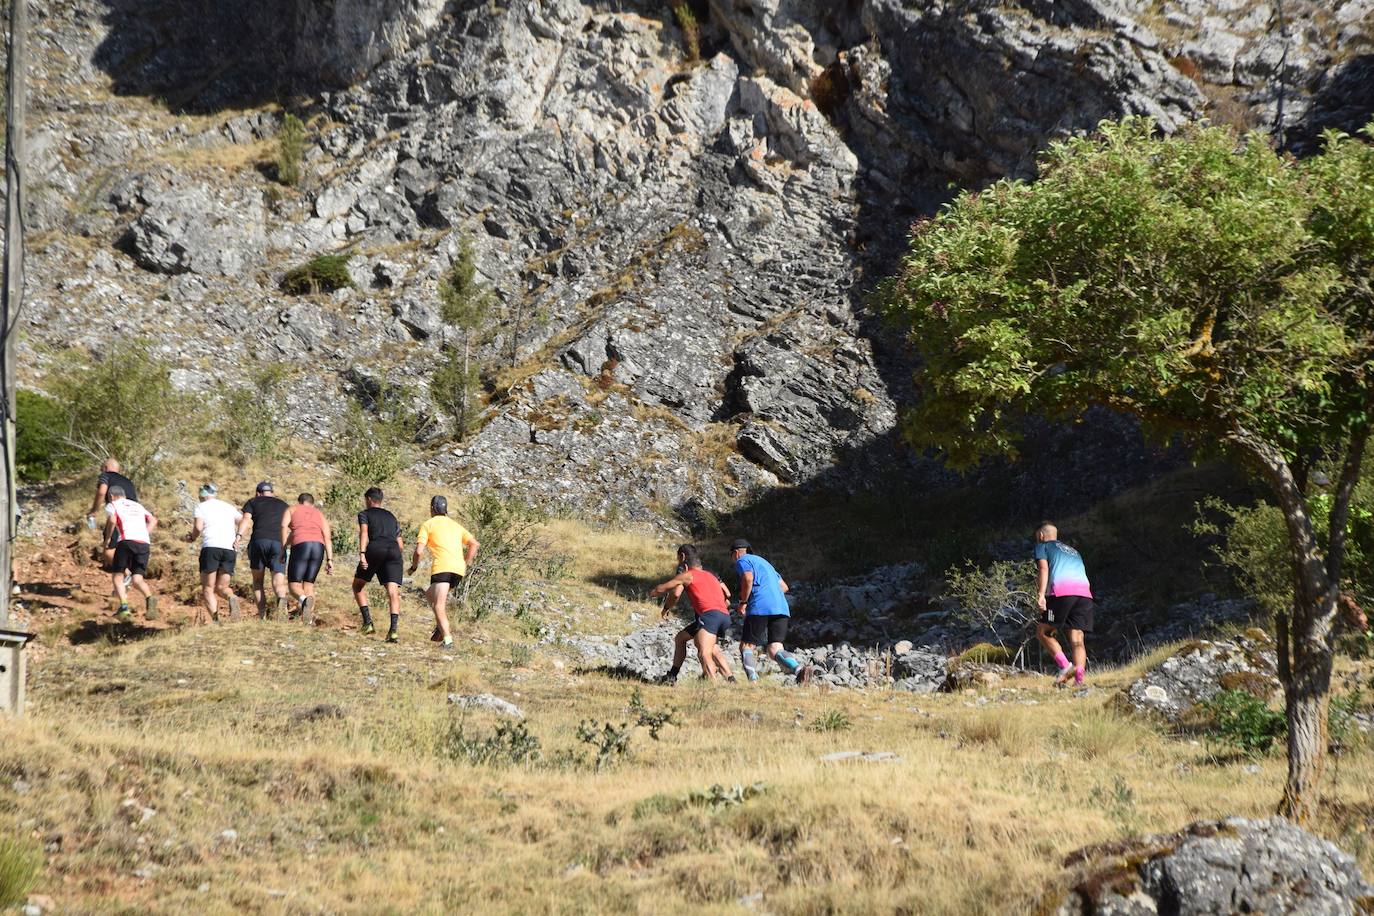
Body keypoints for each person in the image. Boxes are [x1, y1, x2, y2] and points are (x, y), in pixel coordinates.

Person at [649, 544, 734, 684]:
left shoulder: (688, 575)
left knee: (704, 652)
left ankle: (714, 687)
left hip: (709, 615)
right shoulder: (711, 575)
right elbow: (728, 595)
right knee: (682, 638)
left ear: (683, 558)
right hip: (724, 615)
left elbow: (672, 592)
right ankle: (731, 679)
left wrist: (657, 598)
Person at [731, 539, 812, 684]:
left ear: (736, 553)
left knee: (747, 646)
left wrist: (743, 602)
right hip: (781, 607)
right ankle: (799, 670)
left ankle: (753, 681)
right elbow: (784, 587)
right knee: (774, 648)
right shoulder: (766, 564)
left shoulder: (742, 560)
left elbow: (748, 578)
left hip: (759, 607)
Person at [408, 495, 479, 650]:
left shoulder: (428, 524)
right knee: (429, 595)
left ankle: (448, 640)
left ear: (432, 508)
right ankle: (441, 627)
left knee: (439, 605)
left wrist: (413, 567)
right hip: (458, 570)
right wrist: (465, 562)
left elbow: (419, 551)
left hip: (442, 568)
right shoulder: (456, 525)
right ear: (445, 509)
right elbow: (474, 544)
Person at [1033, 522, 1094, 687]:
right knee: (1077, 638)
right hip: (1084, 594)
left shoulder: (1042, 546)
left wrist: (1041, 595)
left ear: (1041, 535)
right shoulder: (1074, 551)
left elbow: (1043, 569)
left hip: (1061, 593)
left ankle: (1065, 667)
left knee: (1043, 631)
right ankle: (1079, 681)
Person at [353, 487, 404, 641]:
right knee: (393, 592)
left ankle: (368, 623)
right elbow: (400, 544)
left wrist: (362, 554)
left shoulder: (365, 514)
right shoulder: (392, 517)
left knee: (357, 586)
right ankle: (393, 631)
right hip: (394, 552)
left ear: (369, 499)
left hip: (375, 549)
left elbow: (364, 533)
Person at [187, 483, 241, 624]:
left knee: (208, 588)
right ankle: (231, 598)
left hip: (211, 547)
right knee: (223, 587)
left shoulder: (201, 507)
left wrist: (191, 537)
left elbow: (198, 527)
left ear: (201, 494)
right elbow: (243, 520)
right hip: (229, 548)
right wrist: (239, 536)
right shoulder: (228, 507)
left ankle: (217, 622)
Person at [102, 485, 157, 621]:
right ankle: (150, 598)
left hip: (126, 541)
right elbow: (153, 520)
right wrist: (145, 533)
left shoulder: (112, 504)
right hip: (144, 542)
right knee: (137, 579)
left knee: (117, 576)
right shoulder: (137, 505)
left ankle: (124, 608)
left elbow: (112, 520)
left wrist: (108, 538)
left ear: (111, 496)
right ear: (124, 495)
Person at [238, 481, 289, 620]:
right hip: (279, 543)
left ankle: (262, 616)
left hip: (258, 542)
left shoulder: (253, 501)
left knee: (258, 582)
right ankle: (282, 609)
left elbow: (246, 520)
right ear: (272, 493)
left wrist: (239, 536)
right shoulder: (283, 505)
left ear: (258, 493)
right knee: (279, 582)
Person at [281, 493, 333, 624]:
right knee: (309, 585)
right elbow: (327, 536)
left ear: (299, 502)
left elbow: (283, 526)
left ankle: (304, 600)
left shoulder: (292, 509)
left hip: (301, 545)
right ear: (312, 503)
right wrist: (330, 560)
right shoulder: (319, 514)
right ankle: (308, 620)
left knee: (294, 585)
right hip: (318, 546)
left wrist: (283, 548)